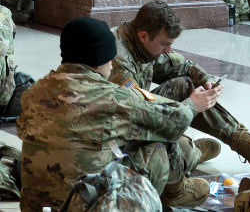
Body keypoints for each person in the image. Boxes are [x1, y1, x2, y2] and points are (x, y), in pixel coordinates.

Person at [19, 17, 220, 209]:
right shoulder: (112, 98)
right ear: (99, 61)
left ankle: (189, 155)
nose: (112, 65)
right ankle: (175, 192)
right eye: (110, 59)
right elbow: (174, 120)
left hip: (35, 205)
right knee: (154, 145)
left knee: (111, 138)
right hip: (87, 206)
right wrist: (194, 104)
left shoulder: (33, 92)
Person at [109, 1, 250, 167]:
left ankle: (246, 144)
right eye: (165, 44)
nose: (168, 50)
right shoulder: (120, 64)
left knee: (184, 84)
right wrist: (192, 106)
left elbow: (180, 66)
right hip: (116, 137)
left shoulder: (141, 41)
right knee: (165, 153)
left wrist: (204, 78)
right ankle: (189, 154)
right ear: (143, 36)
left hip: (135, 112)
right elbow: (137, 115)